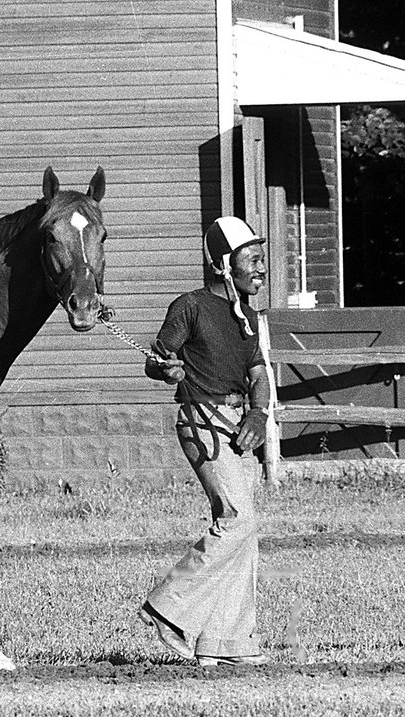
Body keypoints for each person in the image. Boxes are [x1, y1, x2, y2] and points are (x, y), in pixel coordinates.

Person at [138, 216, 271, 667]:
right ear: (222, 265)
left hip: (237, 422)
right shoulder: (189, 306)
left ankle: (228, 643)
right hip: (201, 418)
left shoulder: (247, 316)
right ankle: (167, 610)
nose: (260, 268)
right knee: (237, 518)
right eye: (251, 259)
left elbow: (258, 376)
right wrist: (165, 369)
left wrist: (257, 412)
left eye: (260, 259)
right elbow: (160, 359)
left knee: (244, 529)